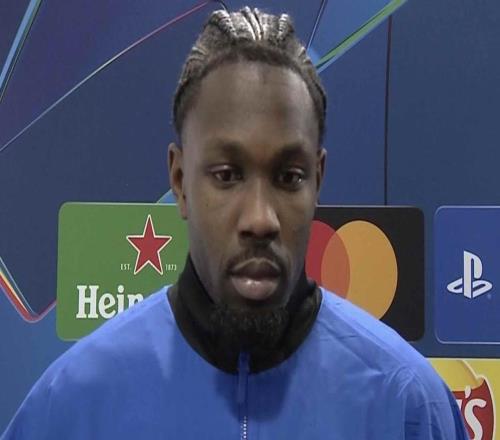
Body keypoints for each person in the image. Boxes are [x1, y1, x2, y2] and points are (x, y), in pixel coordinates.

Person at [2, 7, 467, 439]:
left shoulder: (407, 403)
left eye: (289, 177)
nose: (260, 219)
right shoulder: (72, 405)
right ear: (180, 181)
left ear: (318, 180)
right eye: (227, 175)